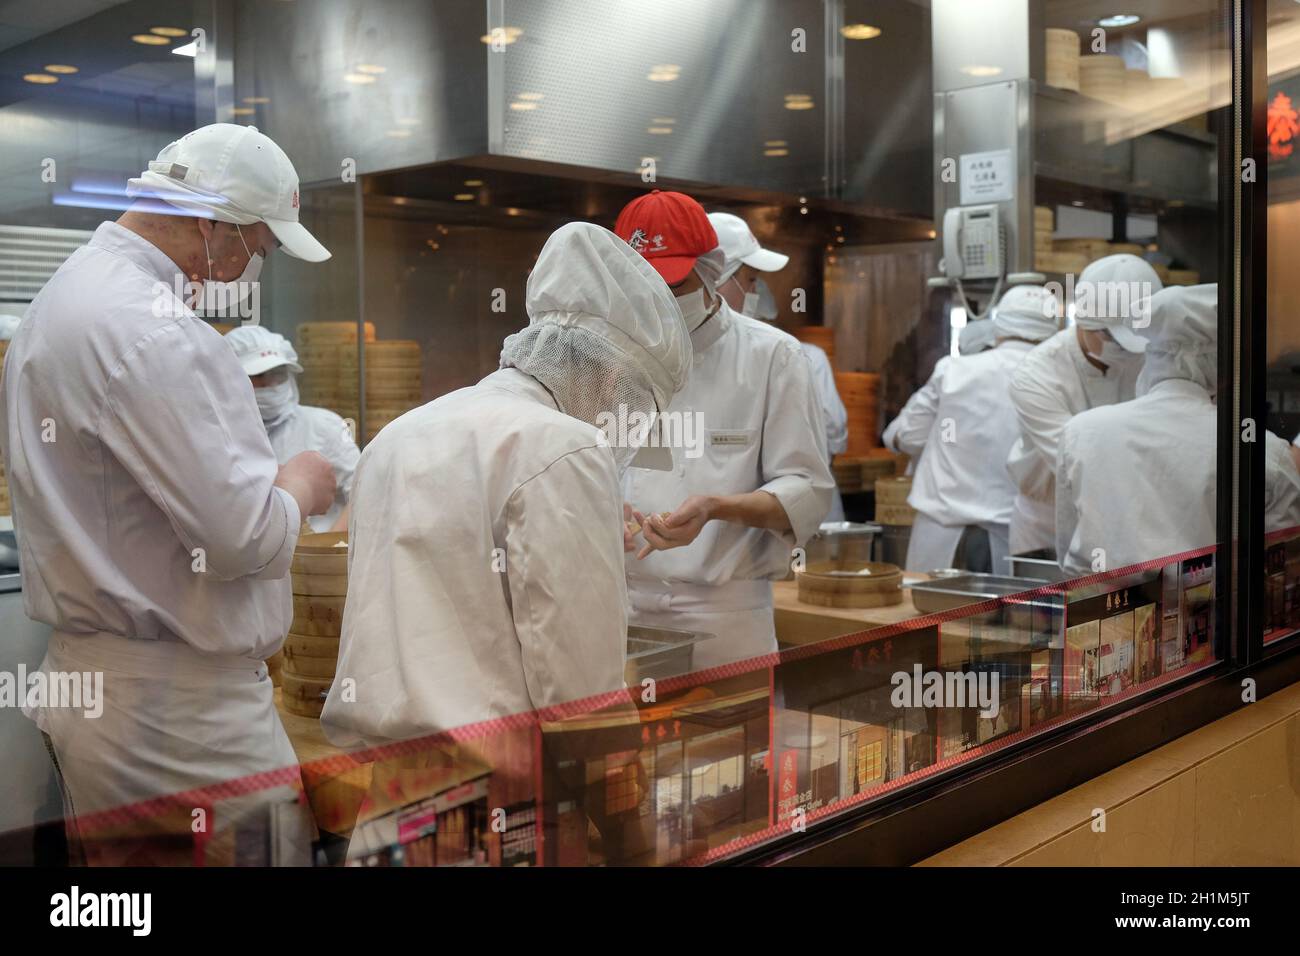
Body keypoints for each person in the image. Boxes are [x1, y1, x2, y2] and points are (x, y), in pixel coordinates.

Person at [0, 124, 337, 822]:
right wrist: (300, 485)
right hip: (182, 723)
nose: (251, 270)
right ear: (215, 226)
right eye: (260, 248)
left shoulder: (61, 301)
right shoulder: (158, 331)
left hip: (105, 698)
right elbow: (242, 539)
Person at [321, 222, 690, 742]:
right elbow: (579, 695)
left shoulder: (396, 435)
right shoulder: (568, 447)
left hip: (384, 775)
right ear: (612, 378)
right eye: (638, 406)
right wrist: (622, 783)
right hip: (501, 780)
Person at [616, 191, 834, 669]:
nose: (658, 297)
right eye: (641, 284)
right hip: (620, 610)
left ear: (711, 268)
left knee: (733, 720)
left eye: (673, 282)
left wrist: (716, 507)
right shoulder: (612, 357)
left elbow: (807, 490)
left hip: (725, 615)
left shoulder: (771, 356)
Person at [1056, 284, 1300, 575]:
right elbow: (1280, 568)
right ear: (1223, 371)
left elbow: (1067, 549)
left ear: (1150, 356)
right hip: (1211, 605)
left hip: (1097, 604)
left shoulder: (1081, 431)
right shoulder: (1263, 450)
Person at [883, 284, 1059, 573]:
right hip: (1016, 540)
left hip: (940, 535)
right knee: (1006, 604)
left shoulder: (954, 370)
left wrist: (899, 439)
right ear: (1053, 332)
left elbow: (910, 436)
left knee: (931, 602)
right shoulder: (1059, 380)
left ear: (999, 327)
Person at [1007, 254, 1162, 556]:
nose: (1125, 349)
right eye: (1112, 337)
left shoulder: (1151, 358)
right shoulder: (1037, 374)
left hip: (1133, 517)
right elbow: (1079, 464)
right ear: (1083, 320)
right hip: (1048, 525)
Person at [708, 211, 850, 520]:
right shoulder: (665, 358)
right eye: (751, 281)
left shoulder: (784, 353)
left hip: (779, 526)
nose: (754, 292)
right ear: (714, 277)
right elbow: (836, 434)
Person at [226, 325, 359, 532]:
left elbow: (364, 491)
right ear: (229, 379)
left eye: (277, 374)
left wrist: (328, 543)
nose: (270, 383)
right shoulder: (218, 437)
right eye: (258, 376)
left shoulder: (325, 426)